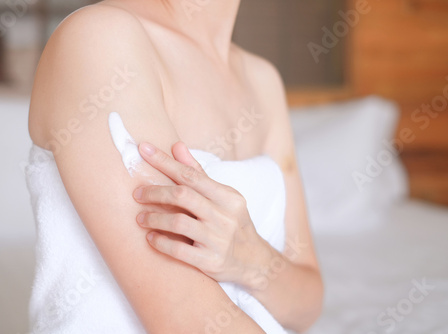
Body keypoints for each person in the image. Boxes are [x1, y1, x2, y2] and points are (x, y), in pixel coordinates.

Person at [27, 0, 323, 332]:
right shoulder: (100, 39)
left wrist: (254, 260)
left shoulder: (263, 79)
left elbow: (308, 303)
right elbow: (191, 319)